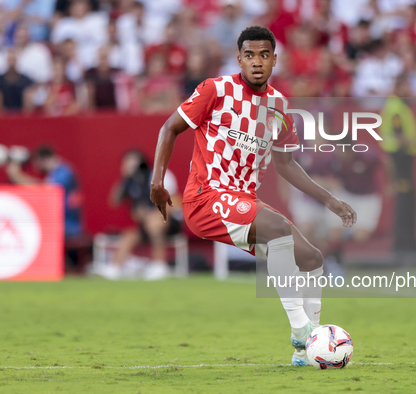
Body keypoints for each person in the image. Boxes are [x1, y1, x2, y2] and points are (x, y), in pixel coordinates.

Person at [149, 26, 356, 366]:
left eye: (263, 55)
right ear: (239, 59)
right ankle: (301, 330)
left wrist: (330, 199)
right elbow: (169, 127)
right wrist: (157, 182)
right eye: (249, 55)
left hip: (244, 202)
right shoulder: (215, 90)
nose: (256, 62)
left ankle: (308, 350)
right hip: (206, 197)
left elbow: (286, 165)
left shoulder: (278, 106)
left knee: (312, 258)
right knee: (277, 228)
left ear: (274, 60)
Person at [96, 150, 182, 280]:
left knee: (154, 224)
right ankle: (114, 268)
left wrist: (153, 215)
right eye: (126, 163)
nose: (129, 166)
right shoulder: (130, 182)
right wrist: (124, 179)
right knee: (129, 235)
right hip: (146, 224)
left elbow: (174, 203)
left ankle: (160, 266)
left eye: (133, 162)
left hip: (169, 221)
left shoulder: (159, 175)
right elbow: (114, 201)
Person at [379, 74, 416, 253]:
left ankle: (407, 242)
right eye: (408, 86)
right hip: (400, 158)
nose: (410, 90)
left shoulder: (397, 106)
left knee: (407, 201)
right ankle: (405, 243)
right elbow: (399, 136)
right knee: (405, 202)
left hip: (401, 158)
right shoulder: (396, 107)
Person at [5, 145, 84, 239]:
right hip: (63, 225)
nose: (35, 168)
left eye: (37, 163)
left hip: (68, 227)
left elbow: (44, 190)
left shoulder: (64, 172)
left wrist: (16, 175)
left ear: (44, 160)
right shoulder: (59, 172)